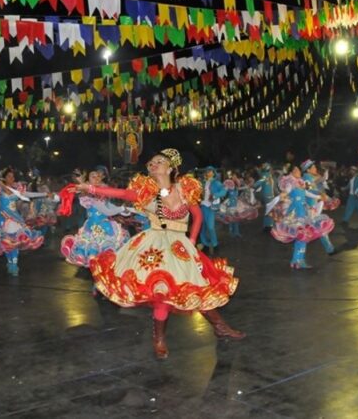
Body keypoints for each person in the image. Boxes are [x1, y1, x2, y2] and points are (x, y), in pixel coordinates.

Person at [76, 149, 243, 359]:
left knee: (198, 287)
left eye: (159, 161)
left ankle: (220, 327)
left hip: (181, 246)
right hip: (154, 246)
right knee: (162, 290)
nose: (153, 164)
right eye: (151, 162)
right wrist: (89, 188)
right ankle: (160, 339)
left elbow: (197, 216)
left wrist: (191, 240)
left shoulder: (185, 188)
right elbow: (121, 194)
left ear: (171, 168)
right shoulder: (146, 190)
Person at [0, 167, 48, 276]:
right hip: (2, 218)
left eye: (13, 176)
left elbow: (29, 194)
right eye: (9, 176)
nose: (12, 178)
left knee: (14, 242)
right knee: (5, 242)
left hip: (14, 219)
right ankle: (10, 263)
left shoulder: (17, 189)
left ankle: (14, 264)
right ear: (4, 178)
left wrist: (44, 194)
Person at [59, 168, 129, 269]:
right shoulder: (88, 195)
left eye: (98, 176)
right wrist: (122, 208)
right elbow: (106, 211)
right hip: (94, 227)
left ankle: (102, 278)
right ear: (88, 181)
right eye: (93, 176)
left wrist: (123, 210)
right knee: (94, 254)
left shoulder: (103, 192)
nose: (97, 178)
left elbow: (109, 207)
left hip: (107, 226)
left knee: (106, 258)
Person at [269, 166, 335, 269]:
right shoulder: (290, 182)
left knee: (302, 237)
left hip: (304, 211)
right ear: (291, 172)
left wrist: (318, 197)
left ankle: (296, 260)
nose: (298, 172)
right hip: (296, 213)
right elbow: (287, 191)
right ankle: (298, 260)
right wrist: (283, 194)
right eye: (295, 170)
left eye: (298, 170)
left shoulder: (301, 182)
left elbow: (307, 193)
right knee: (302, 236)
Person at [301, 160, 336, 255]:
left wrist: (326, 169)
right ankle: (329, 249)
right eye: (313, 167)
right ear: (308, 170)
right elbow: (309, 192)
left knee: (317, 227)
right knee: (317, 227)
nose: (315, 168)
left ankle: (330, 248)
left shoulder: (311, 178)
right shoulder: (306, 179)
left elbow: (324, 179)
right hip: (310, 208)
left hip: (314, 206)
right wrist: (321, 196)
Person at [199, 166, 227, 255]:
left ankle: (215, 244)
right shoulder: (203, 182)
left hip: (210, 207)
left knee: (210, 227)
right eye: (207, 171)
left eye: (210, 171)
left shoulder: (217, 183)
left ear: (214, 172)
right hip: (203, 205)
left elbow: (224, 191)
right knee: (203, 226)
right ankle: (205, 245)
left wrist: (215, 195)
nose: (208, 172)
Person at [253, 163, 276, 232]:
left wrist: (257, 170)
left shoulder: (266, 174)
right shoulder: (267, 175)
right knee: (270, 210)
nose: (272, 169)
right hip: (268, 196)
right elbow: (261, 180)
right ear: (268, 169)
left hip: (267, 195)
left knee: (267, 210)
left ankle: (266, 225)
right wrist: (254, 185)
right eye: (271, 168)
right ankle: (269, 226)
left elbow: (261, 175)